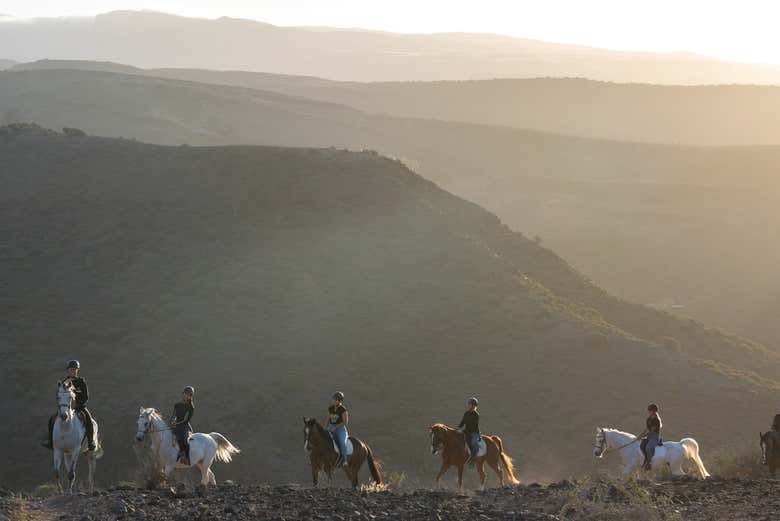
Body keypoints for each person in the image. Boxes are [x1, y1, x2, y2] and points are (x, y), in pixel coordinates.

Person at [41, 360, 96, 451]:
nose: (73, 371)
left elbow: (85, 396)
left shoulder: (81, 382)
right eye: (71, 369)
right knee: (51, 419)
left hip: (79, 407)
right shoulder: (64, 382)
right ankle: (50, 441)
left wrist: (78, 404)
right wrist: (63, 405)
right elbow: (60, 395)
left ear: (77, 370)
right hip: (66, 408)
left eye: (74, 370)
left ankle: (91, 441)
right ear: (68, 370)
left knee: (89, 419)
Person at [171, 386, 195, 465]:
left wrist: (176, 423)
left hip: (184, 426)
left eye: (187, 395)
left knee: (184, 440)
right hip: (176, 424)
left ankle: (187, 458)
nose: (185, 395)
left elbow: (186, 420)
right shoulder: (177, 405)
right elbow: (173, 415)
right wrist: (171, 421)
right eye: (184, 394)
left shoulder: (190, 407)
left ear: (190, 396)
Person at [326, 392, 349, 467]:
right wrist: (325, 428)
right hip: (331, 428)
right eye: (334, 399)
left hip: (340, 430)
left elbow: (345, 422)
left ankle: (345, 460)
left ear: (340, 401)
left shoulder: (343, 409)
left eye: (337, 400)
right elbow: (327, 419)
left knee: (342, 443)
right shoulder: (330, 408)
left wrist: (335, 427)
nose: (335, 401)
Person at [640, 403, 662, 470]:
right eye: (648, 410)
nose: (648, 412)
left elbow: (652, 431)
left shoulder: (656, 420)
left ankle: (649, 463)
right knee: (642, 445)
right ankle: (646, 459)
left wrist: (644, 435)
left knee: (648, 447)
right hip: (649, 436)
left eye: (650, 411)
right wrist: (640, 435)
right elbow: (647, 429)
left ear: (654, 411)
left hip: (655, 437)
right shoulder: (648, 419)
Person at [458, 397, 481, 464]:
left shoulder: (476, 415)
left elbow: (473, 426)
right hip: (467, 431)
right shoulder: (466, 413)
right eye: (469, 404)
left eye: (471, 404)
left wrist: (463, 431)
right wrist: (458, 428)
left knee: (474, 444)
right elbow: (463, 422)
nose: (470, 406)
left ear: (475, 406)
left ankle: (473, 460)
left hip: (474, 432)